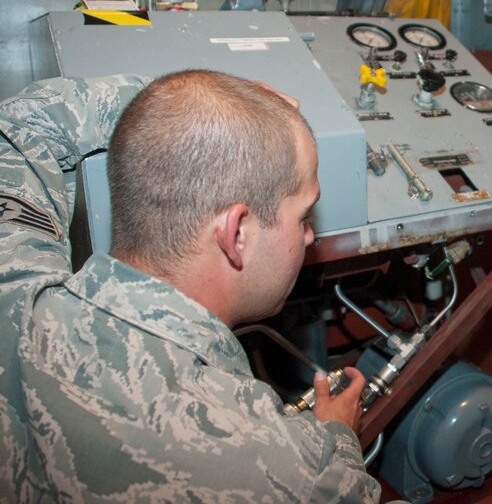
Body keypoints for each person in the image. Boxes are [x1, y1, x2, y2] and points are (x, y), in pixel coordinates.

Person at [0, 70, 381, 502]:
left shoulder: (15, 294)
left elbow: (20, 126)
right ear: (236, 234)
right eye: (303, 217)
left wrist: (212, 107)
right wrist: (337, 437)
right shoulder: (287, 472)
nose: (310, 236)